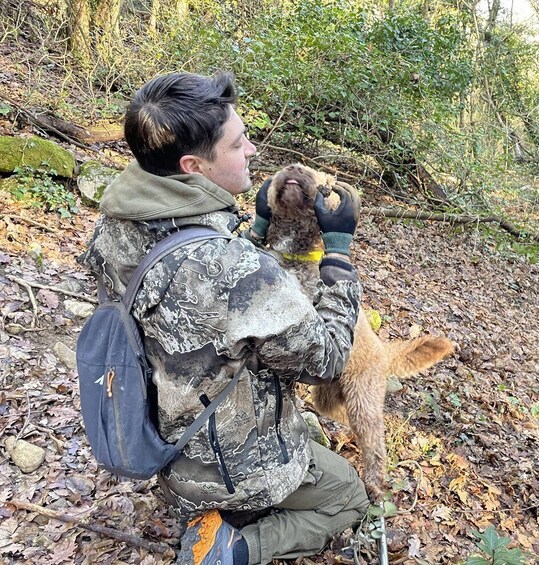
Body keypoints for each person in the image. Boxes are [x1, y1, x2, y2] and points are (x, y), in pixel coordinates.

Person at [78, 71, 370, 565]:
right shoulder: (238, 270)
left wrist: (250, 232)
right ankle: (234, 546)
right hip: (229, 468)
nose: (253, 150)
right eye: (239, 144)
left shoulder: (113, 226)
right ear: (194, 166)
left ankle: (214, 511)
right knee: (350, 497)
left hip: (154, 443)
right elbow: (327, 359)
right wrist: (338, 256)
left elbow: (202, 303)